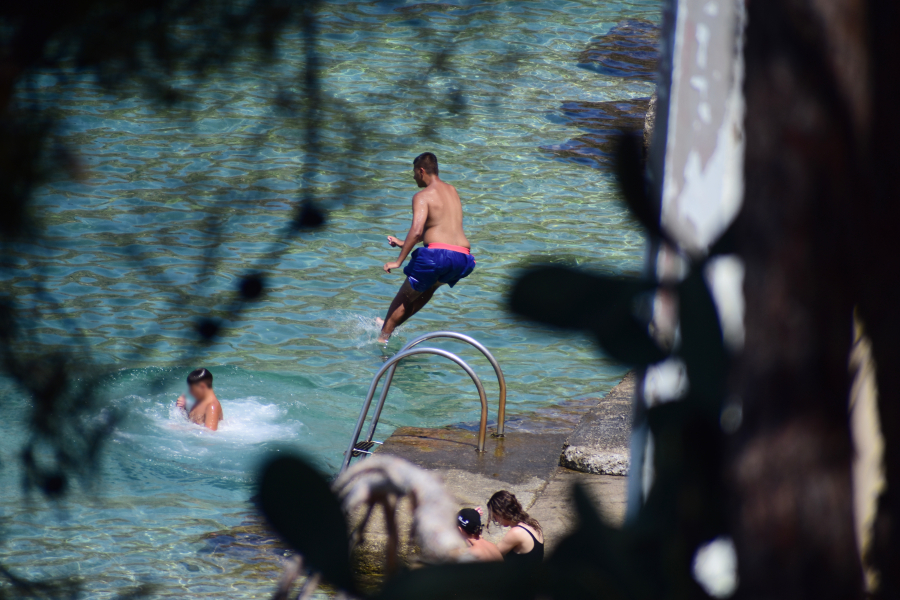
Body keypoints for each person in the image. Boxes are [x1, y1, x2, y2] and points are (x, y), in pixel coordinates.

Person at [377, 152, 476, 343]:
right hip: (463, 259)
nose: (414, 177)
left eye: (414, 173)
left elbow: (416, 231)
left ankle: (382, 340)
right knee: (426, 291)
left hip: (436, 257)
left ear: (421, 171)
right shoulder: (452, 191)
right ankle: (388, 326)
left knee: (403, 298)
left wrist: (398, 261)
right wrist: (402, 243)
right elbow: (441, 228)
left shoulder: (422, 196)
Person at [487, 490, 544, 566]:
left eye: (494, 517)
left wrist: (472, 528)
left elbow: (490, 556)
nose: (496, 520)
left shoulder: (516, 533)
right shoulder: (534, 524)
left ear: (501, 513)